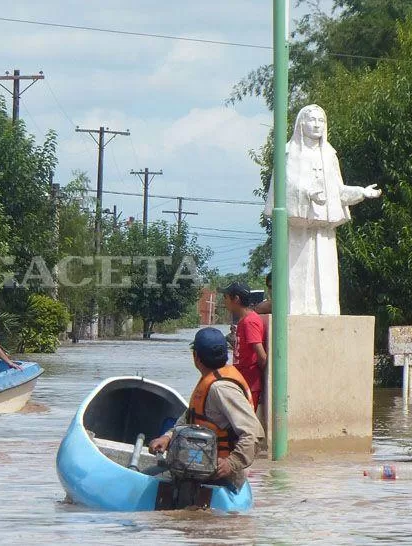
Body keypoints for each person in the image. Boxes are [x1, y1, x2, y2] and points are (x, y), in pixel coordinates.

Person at [264, 104, 381, 315]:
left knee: (325, 274)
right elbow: (284, 186)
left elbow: (337, 191)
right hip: (297, 227)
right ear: (301, 123)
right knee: (296, 273)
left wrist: (361, 192)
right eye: (312, 120)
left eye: (321, 121)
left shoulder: (329, 155)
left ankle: (325, 311)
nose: (317, 125)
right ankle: (296, 311)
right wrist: (308, 193)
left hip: (324, 230)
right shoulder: (288, 153)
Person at [148, 327, 264, 489]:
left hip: (218, 474)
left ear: (196, 357)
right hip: (198, 466)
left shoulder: (221, 388)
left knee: (148, 480)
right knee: (152, 473)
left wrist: (231, 463)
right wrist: (167, 438)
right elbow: (189, 420)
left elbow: (254, 433)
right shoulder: (209, 382)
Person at [222, 282, 267, 411]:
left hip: (249, 384)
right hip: (242, 381)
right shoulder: (244, 320)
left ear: (236, 299)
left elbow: (262, 357)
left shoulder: (249, 322)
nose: (224, 301)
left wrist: (255, 380)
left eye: (226, 297)